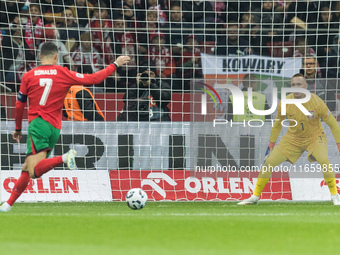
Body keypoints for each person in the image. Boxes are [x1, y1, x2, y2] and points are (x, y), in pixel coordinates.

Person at [0, 42, 130, 212]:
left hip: (38, 123)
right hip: (55, 127)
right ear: (56, 56)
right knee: (27, 168)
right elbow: (94, 79)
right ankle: (8, 205)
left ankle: (64, 157)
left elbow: (19, 105)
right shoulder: (63, 73)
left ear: (39, 56)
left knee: (33, 171)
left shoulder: (28, 76)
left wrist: (17, 128)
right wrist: (115, 64)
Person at [238, 73, 340, 206]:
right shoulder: (285, 102)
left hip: (314, 138)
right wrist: (271, 144)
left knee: (324, 160)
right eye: (293, 85)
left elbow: (333, 124)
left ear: (306, 86)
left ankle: (334, 195)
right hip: (292, 139)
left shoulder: (317, 102)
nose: (296, 87)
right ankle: (254, 197)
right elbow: (278, 123)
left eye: (299, 84)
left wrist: (338, 144)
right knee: (269, 162)